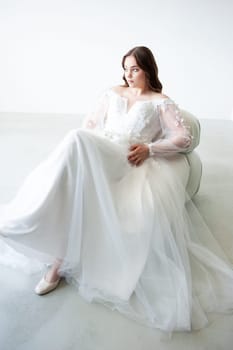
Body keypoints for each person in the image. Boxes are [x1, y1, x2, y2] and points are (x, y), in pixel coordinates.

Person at [1, 46, 233, 332]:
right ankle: (53, 250)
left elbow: (183, 138)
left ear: (148, 70)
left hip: (125, 159)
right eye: (125, 68)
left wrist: (150, 148)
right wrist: (94, 144)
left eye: (134, 68)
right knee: (78, 140)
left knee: (76, 139)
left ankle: (55, 258)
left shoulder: (160, 102)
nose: (128, 74)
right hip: (100, 148)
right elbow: (90, 124)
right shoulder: (113, 92)